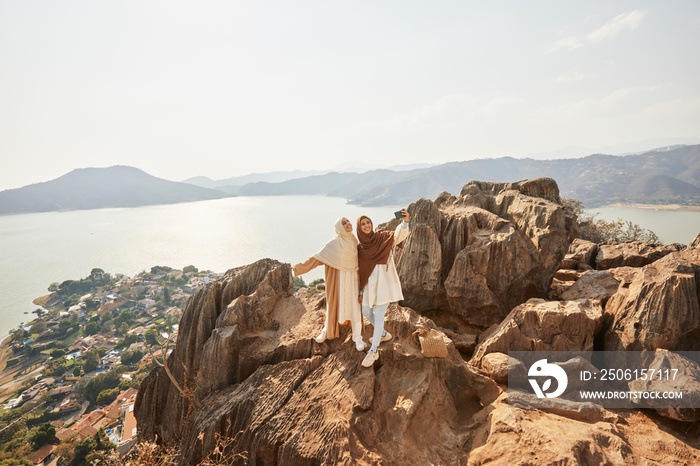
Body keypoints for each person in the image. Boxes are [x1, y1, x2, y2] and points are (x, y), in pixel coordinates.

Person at [292, 217, 365, 351]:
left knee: (355, 306)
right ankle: (327, 329)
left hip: (353, 279)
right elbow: (317, 258)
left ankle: (357, 337)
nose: (348, 224)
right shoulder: (334, 244)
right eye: (344, 223)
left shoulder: (355, 241)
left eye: (348, 221)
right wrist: (298, 268)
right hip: (338, 279)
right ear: (339, 228)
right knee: (333, 305)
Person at [357, 208, 410, 367]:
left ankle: (373, 351)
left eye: (368, 223)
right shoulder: (360, 248)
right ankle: (384, 334)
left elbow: (398, 235)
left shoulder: (382, 237)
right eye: (363, 224)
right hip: (369, 285)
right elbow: (360, 270)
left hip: (385, 283)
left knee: (379, 314)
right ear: (359, 228)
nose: (366, 226)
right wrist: (360, 291)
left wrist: (405, 222)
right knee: (366, 311)